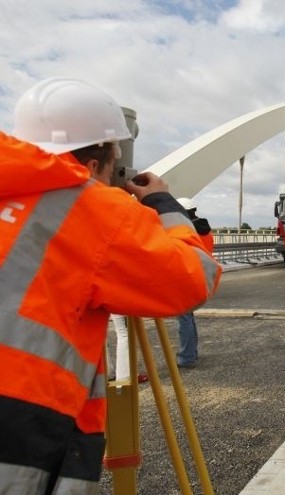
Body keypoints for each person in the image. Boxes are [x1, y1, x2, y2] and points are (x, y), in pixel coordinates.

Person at [0, 77, 221, 493]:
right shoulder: (92, 210)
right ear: (94, 163)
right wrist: (161, 204)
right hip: (19, 430)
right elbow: (193, 279)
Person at [175, 197, 214, 368]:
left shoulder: (186, 230)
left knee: (184, 317)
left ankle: (187, 356)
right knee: (188, 316)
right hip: (201, 275)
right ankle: (191, 352)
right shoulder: (206, 229)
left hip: (187, 275)